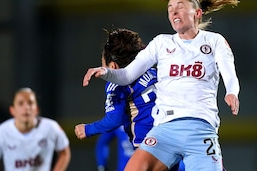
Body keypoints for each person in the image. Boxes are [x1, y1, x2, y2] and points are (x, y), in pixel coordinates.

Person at [82, 0, 240, 171]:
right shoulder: (161, 43)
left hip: (200, 130)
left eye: (179, 7)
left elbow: (229, 72)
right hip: (165, 131)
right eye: (170, 8)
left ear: (197, 13)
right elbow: (126, 75)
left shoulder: (214, 41)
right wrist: (106, 72)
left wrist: (231, 92)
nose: (173, 11)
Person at [75, 28, 183, 171]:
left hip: (149, 147)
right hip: (175, 140)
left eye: (103, 64)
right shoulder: (153, 72)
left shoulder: (117, 84)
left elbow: (115, 119)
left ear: (112, 67)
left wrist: (87, 129)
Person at [0, 87, 71, 171]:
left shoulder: (51, 128)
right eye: (21, 103)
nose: (26, 108)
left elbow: (64, 152)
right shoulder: (0, 133)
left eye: (30, 103)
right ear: (12, 110)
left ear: (36, 109)